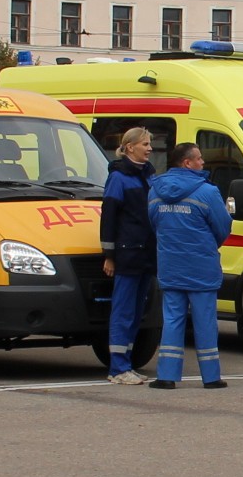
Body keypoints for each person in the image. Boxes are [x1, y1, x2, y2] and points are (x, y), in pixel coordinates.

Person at [146, 142, 231, 390]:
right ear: (187, 162)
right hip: (201, 266)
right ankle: (211, 377)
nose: (203, 163)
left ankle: (167, 375)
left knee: (172, 319)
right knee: (205, 320)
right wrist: (207, 246)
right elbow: (223, 227)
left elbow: (155, 225)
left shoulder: (155, 191)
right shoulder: (208, 192)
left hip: (171, 264)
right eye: (200, 159)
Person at [99, 126, 158, 384]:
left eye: (149, 144)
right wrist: (109, 255)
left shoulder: (149, 175)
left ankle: (127, 363)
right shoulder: (119, 177)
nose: (149, 149)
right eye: (145, 144)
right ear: (130, 146)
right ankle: (117, 368)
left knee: (136, 312)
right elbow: (109, 218)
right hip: (127, 254)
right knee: (123, 311)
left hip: (146, 254)